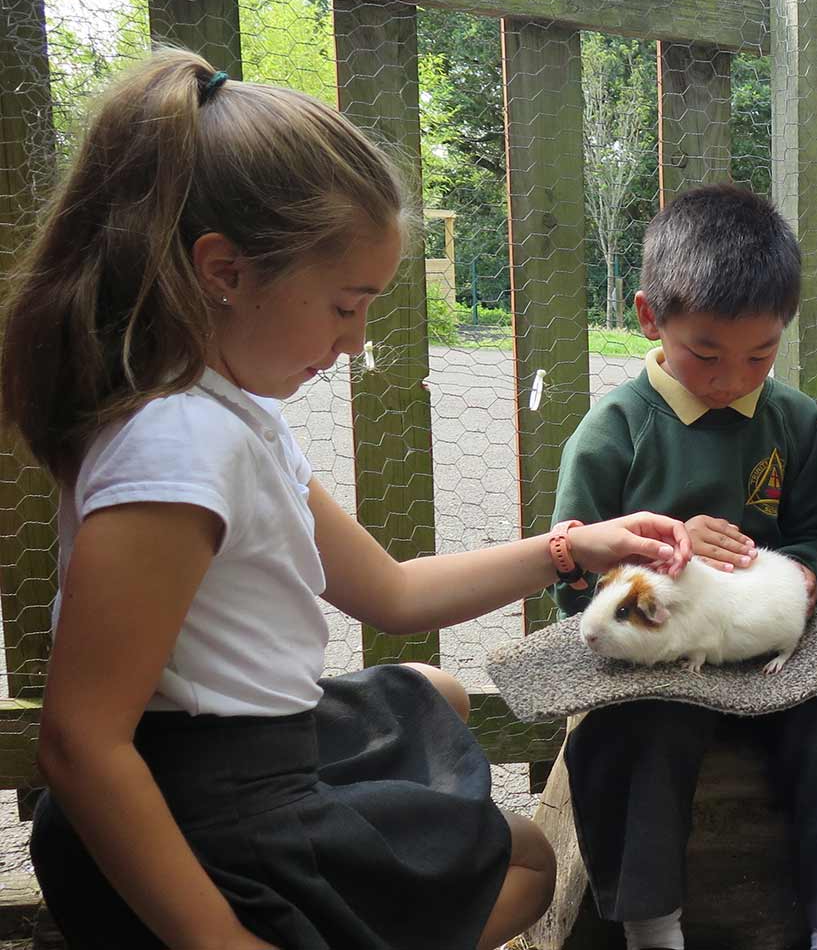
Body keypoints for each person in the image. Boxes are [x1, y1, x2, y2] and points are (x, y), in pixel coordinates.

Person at [6, 48, 692, 950]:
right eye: (344, 305)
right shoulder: (179, 449)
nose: (358, 339)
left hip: (237, 746)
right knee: (526, 863)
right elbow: (80, 744)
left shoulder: (226, 412)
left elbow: (392, 593)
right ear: (224, 270)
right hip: (209, 801)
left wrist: (572, 547)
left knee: (435, 692)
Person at [552, 184, 817, 950]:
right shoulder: (613, 433)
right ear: (650, 317)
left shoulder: (793, 420)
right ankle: (653, 927)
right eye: (706, 353)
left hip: (768, 647)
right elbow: (572, 582)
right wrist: (656, 550)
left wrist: (802, 574)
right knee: (630, 734)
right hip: (664, 664)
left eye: (760, 355)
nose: (731, 377)